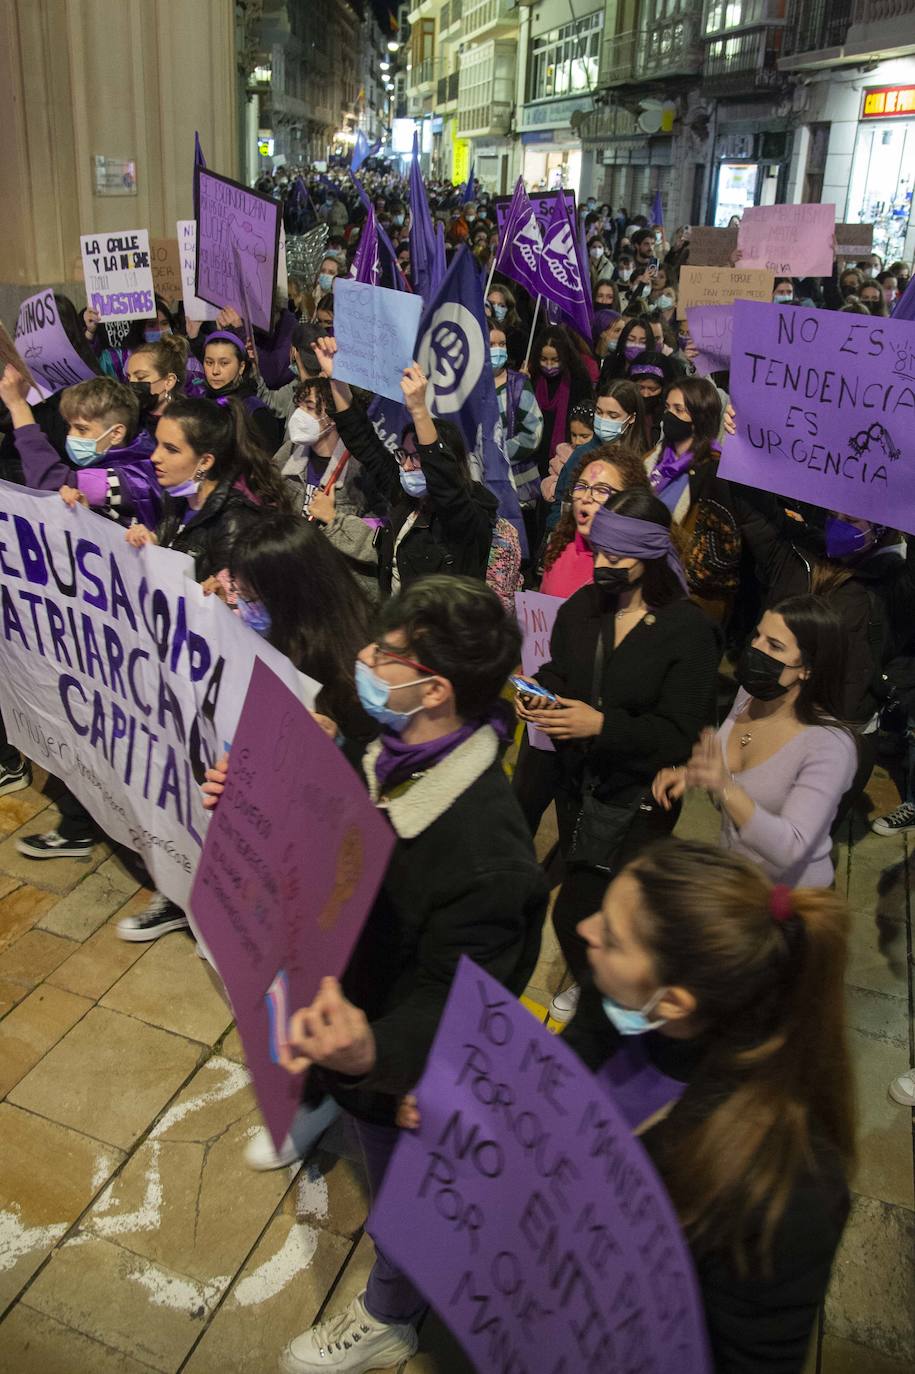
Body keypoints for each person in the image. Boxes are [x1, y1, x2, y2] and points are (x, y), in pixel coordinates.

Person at [207, 577, 549, 1374]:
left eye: (385, 653)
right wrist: (249, 794)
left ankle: (391, 1314)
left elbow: (459, 1002)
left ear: (434, 690)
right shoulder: (378, 732)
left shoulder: (487, 855)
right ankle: (320, 1104)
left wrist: (372, 1055)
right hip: (342, 992)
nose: (362, 658)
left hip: (394, 1062)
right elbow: (328, 818)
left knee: (403, 1202)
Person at [565, 838, 854, 1373]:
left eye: (612, 937)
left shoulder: (785, 1193)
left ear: (675, 1001)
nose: (586, 930)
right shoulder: (623, 995)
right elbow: (566, 1066)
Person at [518, 490, 719, 1021]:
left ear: (650, 554)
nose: (602, 564)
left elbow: (678, 735)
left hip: (634, 803)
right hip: (577, 786)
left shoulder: (689, 632)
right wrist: (539, 690)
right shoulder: (584, 607)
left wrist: (602, 725)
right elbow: (562, 669)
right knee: (584, 892)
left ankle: (606, 998)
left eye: (616, 556)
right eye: (599, 550)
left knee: (584, 909)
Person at [109, 395, 294, 941]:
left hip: (219, 692)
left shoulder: (235, 523)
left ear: (206, 460)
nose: (155, 458)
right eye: (158, 445)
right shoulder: (182, 503)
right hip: (181, 679)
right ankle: (180, 889)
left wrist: (204, 589)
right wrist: (149, 550)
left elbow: (243, 616)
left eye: (171, 449)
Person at [654, 596, 858, 886]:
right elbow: (734, 775)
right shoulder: (748, 696)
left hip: (789, 895)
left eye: (774, 645)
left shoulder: (829, 746)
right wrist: (694, 774)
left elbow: (792, 847)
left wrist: (723, 786)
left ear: (808, 668)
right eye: (757, 636)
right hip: (737, 879)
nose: (756, 649)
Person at [314, 338, 497, 594]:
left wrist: (419, 409)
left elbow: (445, 484)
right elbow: (364, 441)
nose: (408, 465)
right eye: (404, 455)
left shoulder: (467, 515)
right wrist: (337, 378)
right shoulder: (407, 499)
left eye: (418, 456)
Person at [645, 375, 740, 621]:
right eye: (668, 408)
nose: (670, 416)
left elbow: (720, 550)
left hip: (681, 596)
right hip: (645, 581)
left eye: (679, 410)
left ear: (700, 418)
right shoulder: (652, 459)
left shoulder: (714, 471)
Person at [540, 446, 649, 599]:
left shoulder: (639, 564)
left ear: (629, 500)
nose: (585, 498)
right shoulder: (558, 549)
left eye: (601, 490)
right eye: (581, 486)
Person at [527, 327, 595, 479]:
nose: (549, 365)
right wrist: (521, 384)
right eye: (544, 359)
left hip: (564, 457)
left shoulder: (579, 380)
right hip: (533, 456)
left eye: (555, 360)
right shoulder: (532, 377)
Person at [490, 323, 543, 513]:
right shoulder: (468, 385)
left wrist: (497, 454)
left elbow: (533, 433)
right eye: (491, 344)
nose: (498, 349)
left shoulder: (518, 384)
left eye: (502, 344)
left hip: (518, 487)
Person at [201, 330, 283, 451]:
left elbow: (266, 459)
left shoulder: (255, 411)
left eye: (224, 363)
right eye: (209, 362)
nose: (215, 371)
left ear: (241, 367)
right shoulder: (200, 403)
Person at [125, 334, 188, 432]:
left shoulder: (189, 423)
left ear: (169, 381)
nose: (132, 383)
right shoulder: (126, 419)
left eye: (140, 377)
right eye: (129, 377)